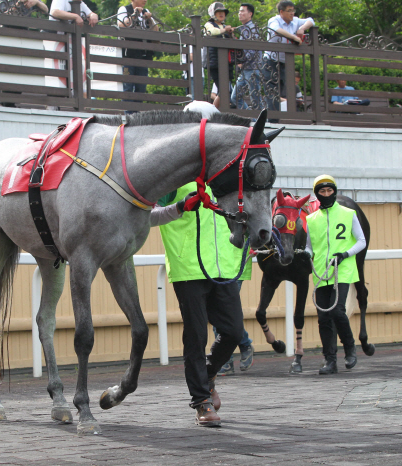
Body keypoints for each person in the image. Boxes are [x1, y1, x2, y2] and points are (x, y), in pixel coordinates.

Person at [151, 106, 251, 426]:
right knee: (195, 336)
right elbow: (148, 216)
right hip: (187, 266)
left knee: (234, 331)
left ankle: (207, 377)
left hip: (223, 267)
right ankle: (201, 401)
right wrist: (180, 206)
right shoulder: (171, 171)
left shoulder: (226, 171)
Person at [305, 175, 366, 375]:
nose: (326, 194)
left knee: (337, 311)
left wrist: (346, 254)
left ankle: (350, 348)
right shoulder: (311, 219)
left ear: (335, 191)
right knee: (323, 317)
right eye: (322, 192)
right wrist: (304, 255)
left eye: (329, 191)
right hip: (322, 271)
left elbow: (361, 241)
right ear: (317, 194)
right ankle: (330, 360)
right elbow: (309, 246)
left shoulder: (349, 214)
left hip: (343, 269)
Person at [261, 1, 314, 119]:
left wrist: (302, 28)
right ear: (281, 12)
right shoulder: (274, 20)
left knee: (287, 88)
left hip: (286, 61)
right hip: (271, 60)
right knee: (271, 90)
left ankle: (287, 118)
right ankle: (273, 119)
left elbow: (311, 20)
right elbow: (276, 30)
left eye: (293, 10)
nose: (292, 13)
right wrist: (294, 37)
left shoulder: (295, 20)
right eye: (289, 11)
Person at [117, 0, 158, 105]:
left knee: (141, 88)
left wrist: (150, 20)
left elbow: (156, 31)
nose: (145, 0)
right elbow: (122, 25)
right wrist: (134, 15)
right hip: (127, 56)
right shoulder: (124, 9)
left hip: (143, 56)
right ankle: (128, 115)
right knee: (128, 87)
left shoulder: (146, 11)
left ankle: (137, 115)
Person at [230, 3, 262, 110]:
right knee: (235, 97)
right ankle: (254, 119)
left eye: (243, 11)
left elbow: (252, 49)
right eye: (239, 11)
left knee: (255, 98)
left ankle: (263, 122)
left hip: (253, 68)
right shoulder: (243, 29)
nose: (240, 13)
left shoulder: (253, 29)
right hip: (245, 69)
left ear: (250, 14)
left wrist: (241, 61)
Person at [204, 2, 235, 109]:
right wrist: (225, 30)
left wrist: (230, 34)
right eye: (219, 12)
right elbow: (212, 32)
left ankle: (214, 111)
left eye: (223, 12)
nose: (222, 14)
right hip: (215, 62)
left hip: (226, 62)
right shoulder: (209, 24)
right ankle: (214, 111)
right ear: (213, 13)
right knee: (225, 89)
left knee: (226, 89)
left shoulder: (225, 26)